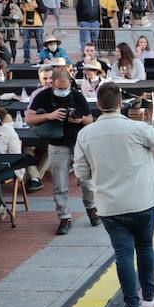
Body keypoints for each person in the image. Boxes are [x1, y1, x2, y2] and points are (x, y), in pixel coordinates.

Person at [73, 83, 154, 307]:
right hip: (142, 201)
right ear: (120, 103)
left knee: (123, 254)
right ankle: (149, 296)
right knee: (144, 247)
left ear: (98, 105)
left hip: (110, 205)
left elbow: (81, 172)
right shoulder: (136, 128)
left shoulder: (85, 134)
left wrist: (101, 173)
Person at [28, 66, 95, 235]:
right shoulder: (43, 96)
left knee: (87, 181)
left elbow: (90, 120)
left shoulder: (77, 95)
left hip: (78, 143)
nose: (63, 91)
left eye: (66, 88)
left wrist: (80, 119)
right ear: (52, 84)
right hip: (56, 144)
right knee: (59, 184)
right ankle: (64, 216)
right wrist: (49, 116)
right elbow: (29, 117)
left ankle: (92, 208)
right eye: (59, 88)